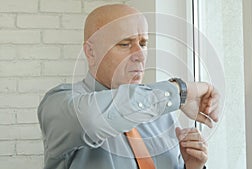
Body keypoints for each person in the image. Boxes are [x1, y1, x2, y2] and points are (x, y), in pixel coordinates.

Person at [38, 4, 220, 169]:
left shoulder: (161, 113)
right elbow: (92, 121)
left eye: (143, 44)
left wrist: (192, 166)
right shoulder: (59, 105)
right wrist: (180, 91)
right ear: (91, 52)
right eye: (125, 44)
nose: (140, 55)